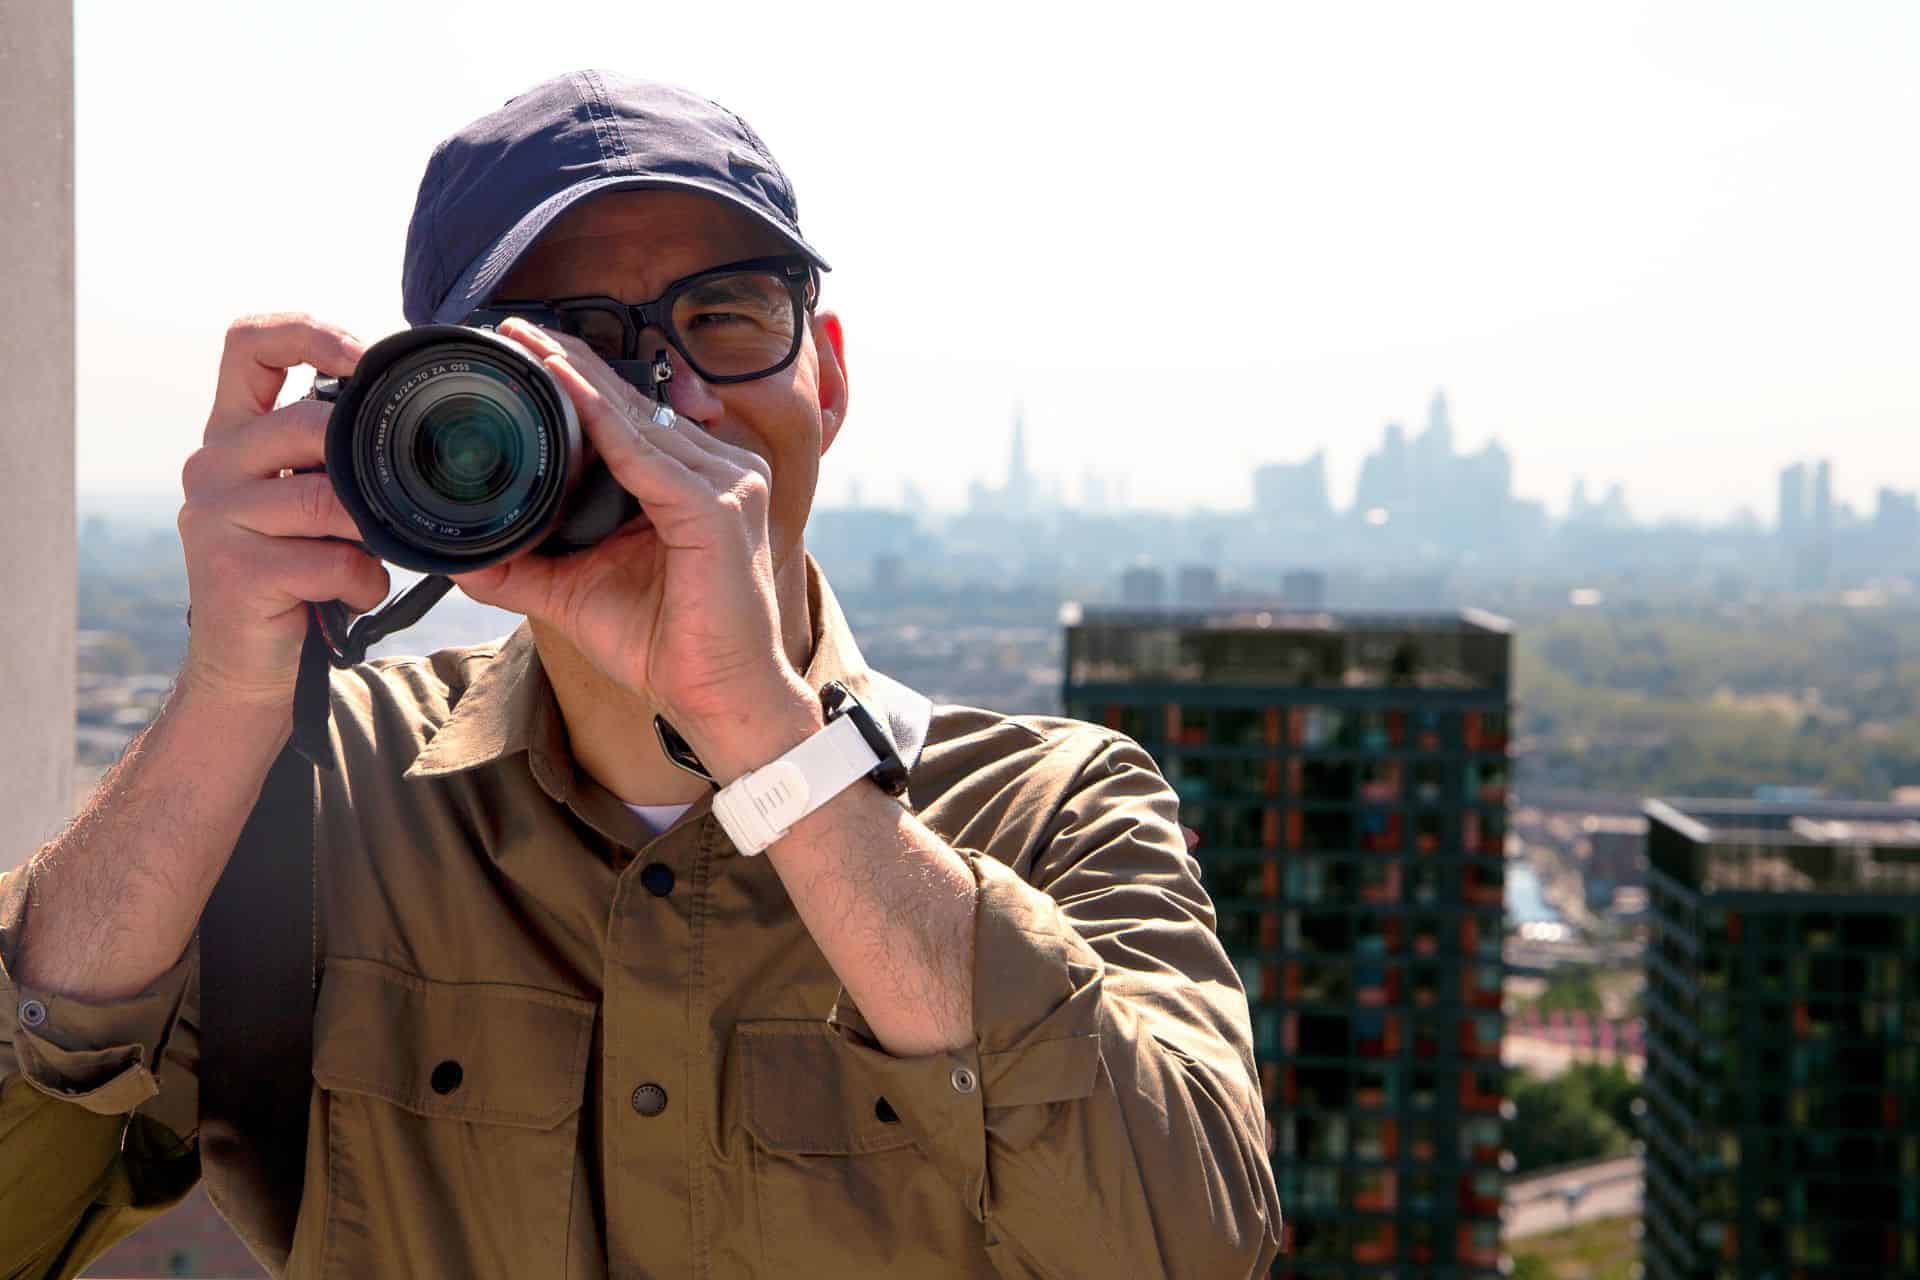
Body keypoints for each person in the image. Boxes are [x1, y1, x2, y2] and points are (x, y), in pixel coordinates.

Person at [0, 71, 1281, 1278]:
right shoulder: (318, 796)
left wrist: (771, 740)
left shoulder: (1047, 809)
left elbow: (1192, 1243)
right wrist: (229, 689)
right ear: (441, 412)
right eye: (567, 349)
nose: (667, 406)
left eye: (723, 318)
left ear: (824, 373)